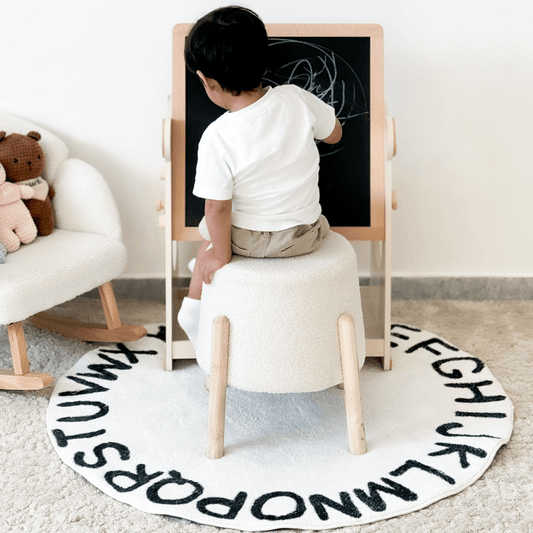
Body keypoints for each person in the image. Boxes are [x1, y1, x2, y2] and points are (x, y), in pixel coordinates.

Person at [178, 5, 343, 347]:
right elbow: (335, 135)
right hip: (303, 236)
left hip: (248, 242)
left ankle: (192, 311)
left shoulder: (218, 136)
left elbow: (217, 207)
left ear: (207, 82)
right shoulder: (296, 99)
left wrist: (220, 254)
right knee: (321, 221)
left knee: (207, 232)